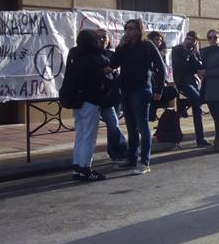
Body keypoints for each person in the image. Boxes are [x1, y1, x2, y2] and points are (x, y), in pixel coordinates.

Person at [109, 19, 166, 175]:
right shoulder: (125, 46)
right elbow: (113, 64)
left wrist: (159, 90)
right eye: (126, 28)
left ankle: (144, 162)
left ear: (139, 30)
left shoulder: (147, 45)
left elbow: (161, 67)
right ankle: (132, 158)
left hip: (141, 89)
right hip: (126, 89)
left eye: (131, 28)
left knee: (142, 125)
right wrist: (119, 46)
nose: (128, 31)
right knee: (131, 126)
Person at [63, 29, 115, 181]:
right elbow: (98, 79)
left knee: (80, 134)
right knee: (89, 137)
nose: (99, 40)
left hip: (76, 100)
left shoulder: (74, 54)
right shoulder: (95, 58)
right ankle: (85, 169)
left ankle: (77, 167)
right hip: (91, 100)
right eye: (96, 38)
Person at [94, 28, 128, 162]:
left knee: (114, 124)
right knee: (113, 123)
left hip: (115, 94)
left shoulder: (112, 54)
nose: (102, 39)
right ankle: (120, 149)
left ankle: (114, 151)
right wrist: (103, 71)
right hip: (100, 96)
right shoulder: (91, 55)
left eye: (104, 37)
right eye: (99, 37)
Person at [171, 31, 209, 147]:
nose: (189, 41)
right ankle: (183, 104)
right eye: (188, 39)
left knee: (199, 104)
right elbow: (179, 66)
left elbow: (199, 67)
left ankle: (200, 139)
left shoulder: (194, 52)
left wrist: (194, 54)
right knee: (197, 100)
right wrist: (188, 54)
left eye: (192, 40)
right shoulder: (177, 49)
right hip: (182, 81)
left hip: (193, 82)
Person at [199, 29, 219, 153]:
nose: (212, 40)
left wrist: (207, 72)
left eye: (215, 37)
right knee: (215, 116)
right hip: (209, 89)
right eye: (210, 37)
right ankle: (218, 142)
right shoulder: (207, 51)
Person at [147, 31, 179, 121]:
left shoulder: (161, 54)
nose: (158, 42)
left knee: (173, 91)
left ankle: (154, 108)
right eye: (156, 39)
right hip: (148, 84)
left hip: (158, 84)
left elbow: (162, 71)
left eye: (160, 40)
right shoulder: (145, 52)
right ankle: (151, 111)